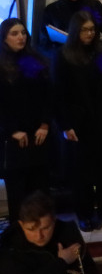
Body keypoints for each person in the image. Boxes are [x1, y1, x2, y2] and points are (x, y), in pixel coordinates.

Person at [56, 11, 102, 230]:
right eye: (85, 29)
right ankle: (84, 214)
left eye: (92, 29)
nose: (89, 33)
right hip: (79, 122)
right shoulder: (64, 55)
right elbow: (59, 94)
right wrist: (66, 125)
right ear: (76, 31)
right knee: (81, 173)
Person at [0, 18, 52, 222]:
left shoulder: (37, 59)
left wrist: (45, 124)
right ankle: (19, 237)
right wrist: (12, 130)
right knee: (18, 195)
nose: (20, 37)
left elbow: (49, 96)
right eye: (14, 33)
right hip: (13, 139)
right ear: (4, 38)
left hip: (39, 135)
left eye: (23, 32)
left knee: (40, 191)